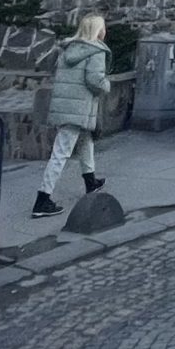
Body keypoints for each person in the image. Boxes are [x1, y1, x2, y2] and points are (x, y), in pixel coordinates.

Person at [32, 13, 110, 217]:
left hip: (68, 107)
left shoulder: (70, 48)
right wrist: (106, 85)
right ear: (97, 30)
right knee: (60, 153)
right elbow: (95, 80)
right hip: (79, 109)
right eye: (103, 27)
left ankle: (90, 181)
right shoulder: (96, 52)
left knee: (85, 142)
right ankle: (43, 199)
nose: (105, 30)